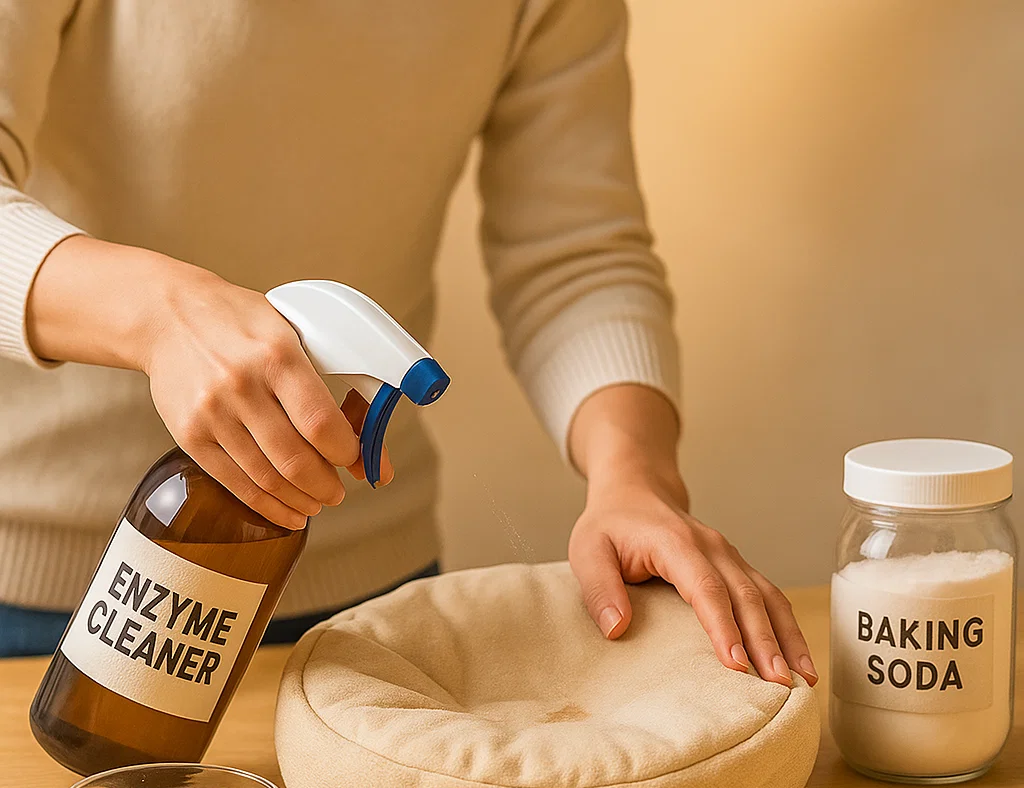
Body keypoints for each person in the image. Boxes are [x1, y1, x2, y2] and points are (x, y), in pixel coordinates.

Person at [0, 0, 816, 687]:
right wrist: (159, 314)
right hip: (34, 595)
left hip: (362, 598)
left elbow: (577, 257)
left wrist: (634, 480)